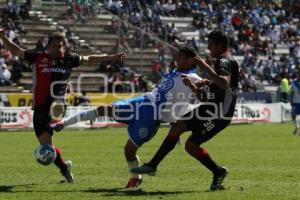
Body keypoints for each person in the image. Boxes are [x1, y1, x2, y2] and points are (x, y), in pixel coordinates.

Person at [50, 47, 202, 188]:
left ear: (191, 60)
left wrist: (176, 120)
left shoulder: (194, 78)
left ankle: (135, 177)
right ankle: (64, 122)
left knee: (129, 150)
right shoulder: (176, 71)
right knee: (104, 109)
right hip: (142, 101)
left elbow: (198, 97)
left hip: (152, 116)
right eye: (178, 57)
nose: (178, 60)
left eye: (181, 58)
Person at [0, 28, 126, 183]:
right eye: (54, 46)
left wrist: (112, 57)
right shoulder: (38, 57)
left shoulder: (69, 59)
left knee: (56, 108)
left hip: (58, 104)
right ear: (49, 46)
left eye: (60, 46)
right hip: (40, 107)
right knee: (47, 149)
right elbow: (17, 51)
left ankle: (57, 121)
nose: (57, 49)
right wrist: (3, 38)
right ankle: (64, 168)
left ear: (64, 47)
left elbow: (91, 58)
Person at [132, 29, 239, 191]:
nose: (209, 49)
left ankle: (218, 171)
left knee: (190, 145)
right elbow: (206, 97)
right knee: (178, 127)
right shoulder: (223, 62)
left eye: (211, 45)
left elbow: (224, 83)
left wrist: (205, 66)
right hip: (210, 109)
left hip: (219, 114)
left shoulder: (223, 61)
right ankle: (153, 165)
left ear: (220, 45)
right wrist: (194, 87)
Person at [290, 71, 300, 135]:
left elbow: (291, 92)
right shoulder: (294, 82)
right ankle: (297, 126)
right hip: (295, 101)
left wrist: (291, 99)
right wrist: (291, 99)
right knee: (293, 115)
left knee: (293, 115)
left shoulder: (294, 82)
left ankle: (297, 126)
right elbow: (292, 91)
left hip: (296, 102)